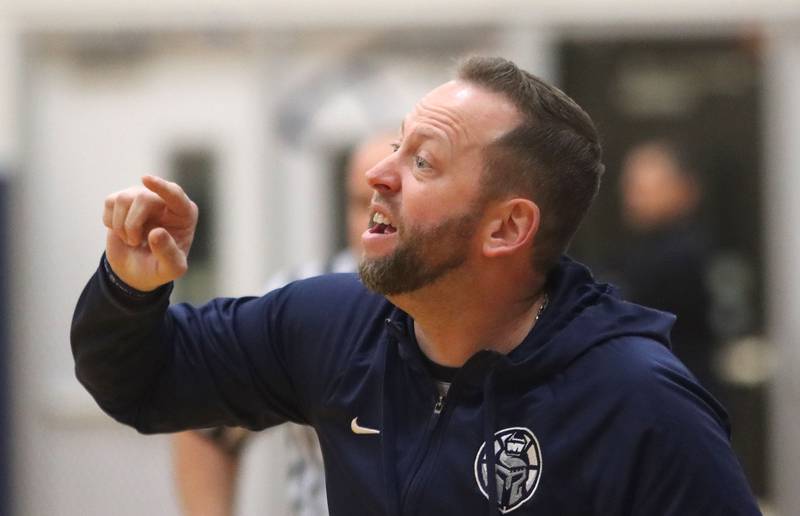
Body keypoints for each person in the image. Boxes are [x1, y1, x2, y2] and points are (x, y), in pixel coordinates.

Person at [71, 56, 760, 515]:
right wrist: (131, 288)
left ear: (505, 228)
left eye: (423, 162)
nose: (380, 174)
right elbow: (143, 380)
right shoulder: (331, 321)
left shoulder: (637, 402)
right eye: (397, 146)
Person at [172, 133, 394, 516]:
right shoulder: (311, 299)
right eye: (362, 201)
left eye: (394, 197)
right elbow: (200, 419)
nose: (376, 217)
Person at [616, 140, 719, 395]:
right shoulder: (639, 250)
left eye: (644, 188)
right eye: (629, 187)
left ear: (683, 189)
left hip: (679, 392)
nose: (632, 198)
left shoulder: (683, 255)